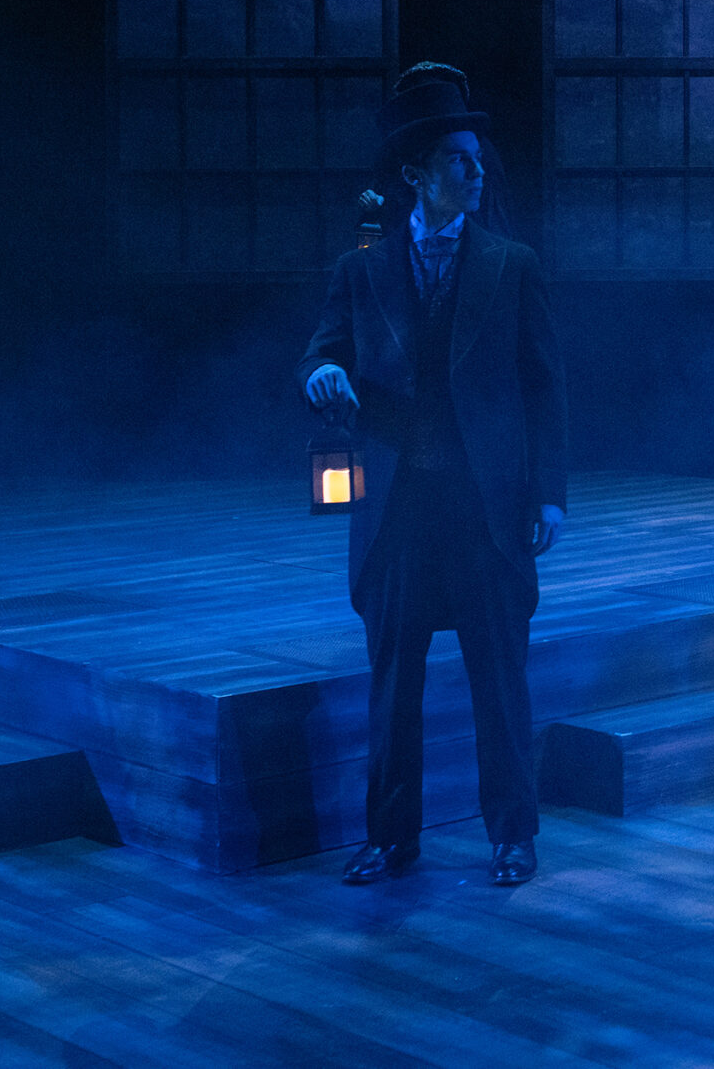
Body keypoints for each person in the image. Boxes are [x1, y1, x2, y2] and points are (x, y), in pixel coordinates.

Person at [298, 64, 568, 885]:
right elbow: (321, 352)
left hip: (485, 508)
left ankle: (513, 834)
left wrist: (549, 495)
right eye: (459, 159)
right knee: (393, 684)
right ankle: (391, 836)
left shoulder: (512, 264)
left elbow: (543, 387)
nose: (477, 172)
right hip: (399, 511)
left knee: (500, 680)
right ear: (417, 174)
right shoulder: (362, 269)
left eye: (477, 159)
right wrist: (323, 375)